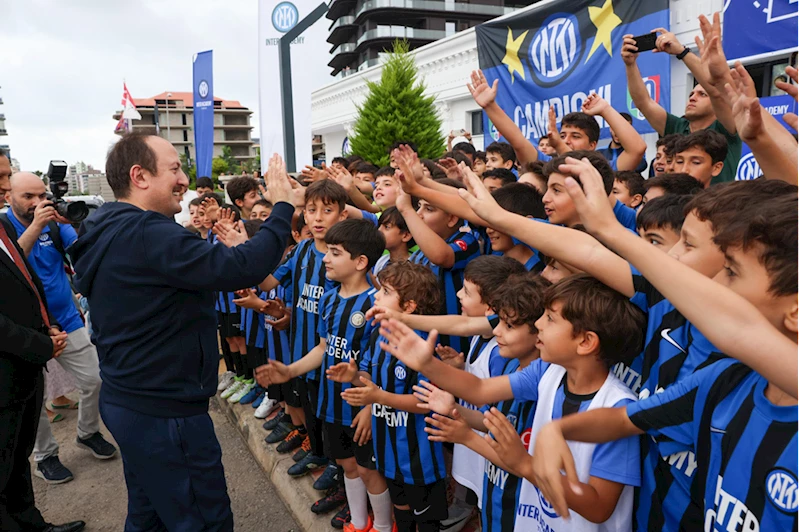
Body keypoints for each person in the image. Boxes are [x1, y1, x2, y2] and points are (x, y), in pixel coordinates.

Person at [529, 161, 797, 532]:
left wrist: (610, 230)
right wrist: (555, 431)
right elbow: (625, 419)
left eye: (732, 271)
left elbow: (739, 326)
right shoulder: (726, 378)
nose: (717, 283)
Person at [68, 134, 294, 531]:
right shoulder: (147, 233)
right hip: (165, 413)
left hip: (131, 400)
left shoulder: (107, 225)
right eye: (173, 169)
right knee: (201, 519)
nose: (184, 180)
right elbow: (241, 268)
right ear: (139, 176)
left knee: (150, 514)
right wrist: (283, 207)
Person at [377, 274, 646, 530]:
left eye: (550, 319)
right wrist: (428, 364)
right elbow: (480, 389)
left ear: (586, 342)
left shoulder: (617, 410)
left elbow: (599, 507)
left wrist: (525, 464)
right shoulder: (548, 371)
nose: (539, 323)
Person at [259, 219, 392, 532]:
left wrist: (372, 408)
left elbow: (383, 365)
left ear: (360, 262)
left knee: (369, 470)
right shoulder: (329, 299)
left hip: (362, 407)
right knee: (347, 464)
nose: (326, 259)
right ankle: (359, 523)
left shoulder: (377, 304)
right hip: (331, 401)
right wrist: (290, 370)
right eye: (326, 252)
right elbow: (323, 348)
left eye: (334, 253)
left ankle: (385, 527)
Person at [4, 172, 116, 486]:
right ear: (9, 196)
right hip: (25, 326)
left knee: (94, 379)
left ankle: (88, 432)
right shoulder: (6, 227)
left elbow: (82, 253)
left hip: (66, 318)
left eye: (42, 196)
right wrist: (37, 225)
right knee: (32, 397)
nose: (38, 203)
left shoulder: (53, 224)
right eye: (29, 197)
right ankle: (46, 456)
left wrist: (79, 227)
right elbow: (11, 264)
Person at [327, 261, 447, 532]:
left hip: (418, 458)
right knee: (401, 515)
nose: (376, 296)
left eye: (385, 292)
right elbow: (370, 380)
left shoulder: (422, 347)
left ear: (409, 307)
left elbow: (424, 403)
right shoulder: (378, 335)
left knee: (426, 522)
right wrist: (354, 377)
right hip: (389, 453)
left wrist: (378, 397)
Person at [0, 149, 84, 532]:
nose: (4, 187)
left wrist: (43, 324)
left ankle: (34, 525)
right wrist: (39, 344)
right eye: (2, 179)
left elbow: (21, 281)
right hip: (16, 356)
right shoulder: (11, 224)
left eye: (7, 177)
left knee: (15, 464)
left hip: (44, 337)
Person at [621, 15, 742, 184]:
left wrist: (681, 51)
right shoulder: (677, 127)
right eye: (691, 94)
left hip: (714, 208)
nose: (692, 98)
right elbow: (643, 103)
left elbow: (716, 91)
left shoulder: (726, 130)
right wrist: (630, 64)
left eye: (702, 94)